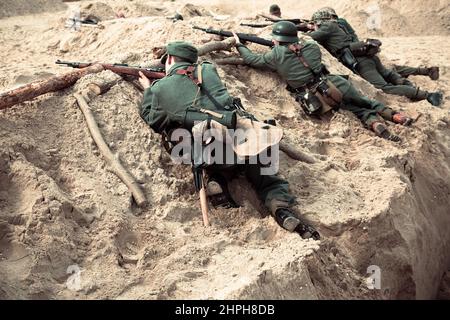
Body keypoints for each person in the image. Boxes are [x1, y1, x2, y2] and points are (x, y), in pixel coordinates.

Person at [138, 41, 320, 240]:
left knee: (212, 157)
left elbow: (154, 120)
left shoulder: (158, 87)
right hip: (244, 136)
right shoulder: (207, 69)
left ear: (170, 59)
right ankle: (282, 209)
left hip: (207, 149)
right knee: (268, 179)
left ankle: (217, 180)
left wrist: (149, 89)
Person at [233, 22, 414, 142]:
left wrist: (239, 44)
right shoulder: (311, 46)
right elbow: (304, 48)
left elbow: (252, 60)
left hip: (316, 99)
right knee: (364, 102)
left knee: (351, 109)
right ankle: (396, 117)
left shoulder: (275, 55)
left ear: (277, 40)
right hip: (334, 84)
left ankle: (375, 124)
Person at [307, 10, 443, 107]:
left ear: (319, 20)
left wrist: (308, 28)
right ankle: (411, 85)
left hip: (360, 61)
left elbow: (311, 37)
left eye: (315, 23)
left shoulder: (327, 26)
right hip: (368, 57)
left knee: (384, 88)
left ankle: (428, 95)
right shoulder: (339, 25)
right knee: (388, 74)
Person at [319, 7, 440, 81]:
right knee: (393, 67)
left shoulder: (336, 24)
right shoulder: (340, 23)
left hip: (357, 52)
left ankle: (411, 78)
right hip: (362, 48)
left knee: (387, 71)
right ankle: (425, 71)